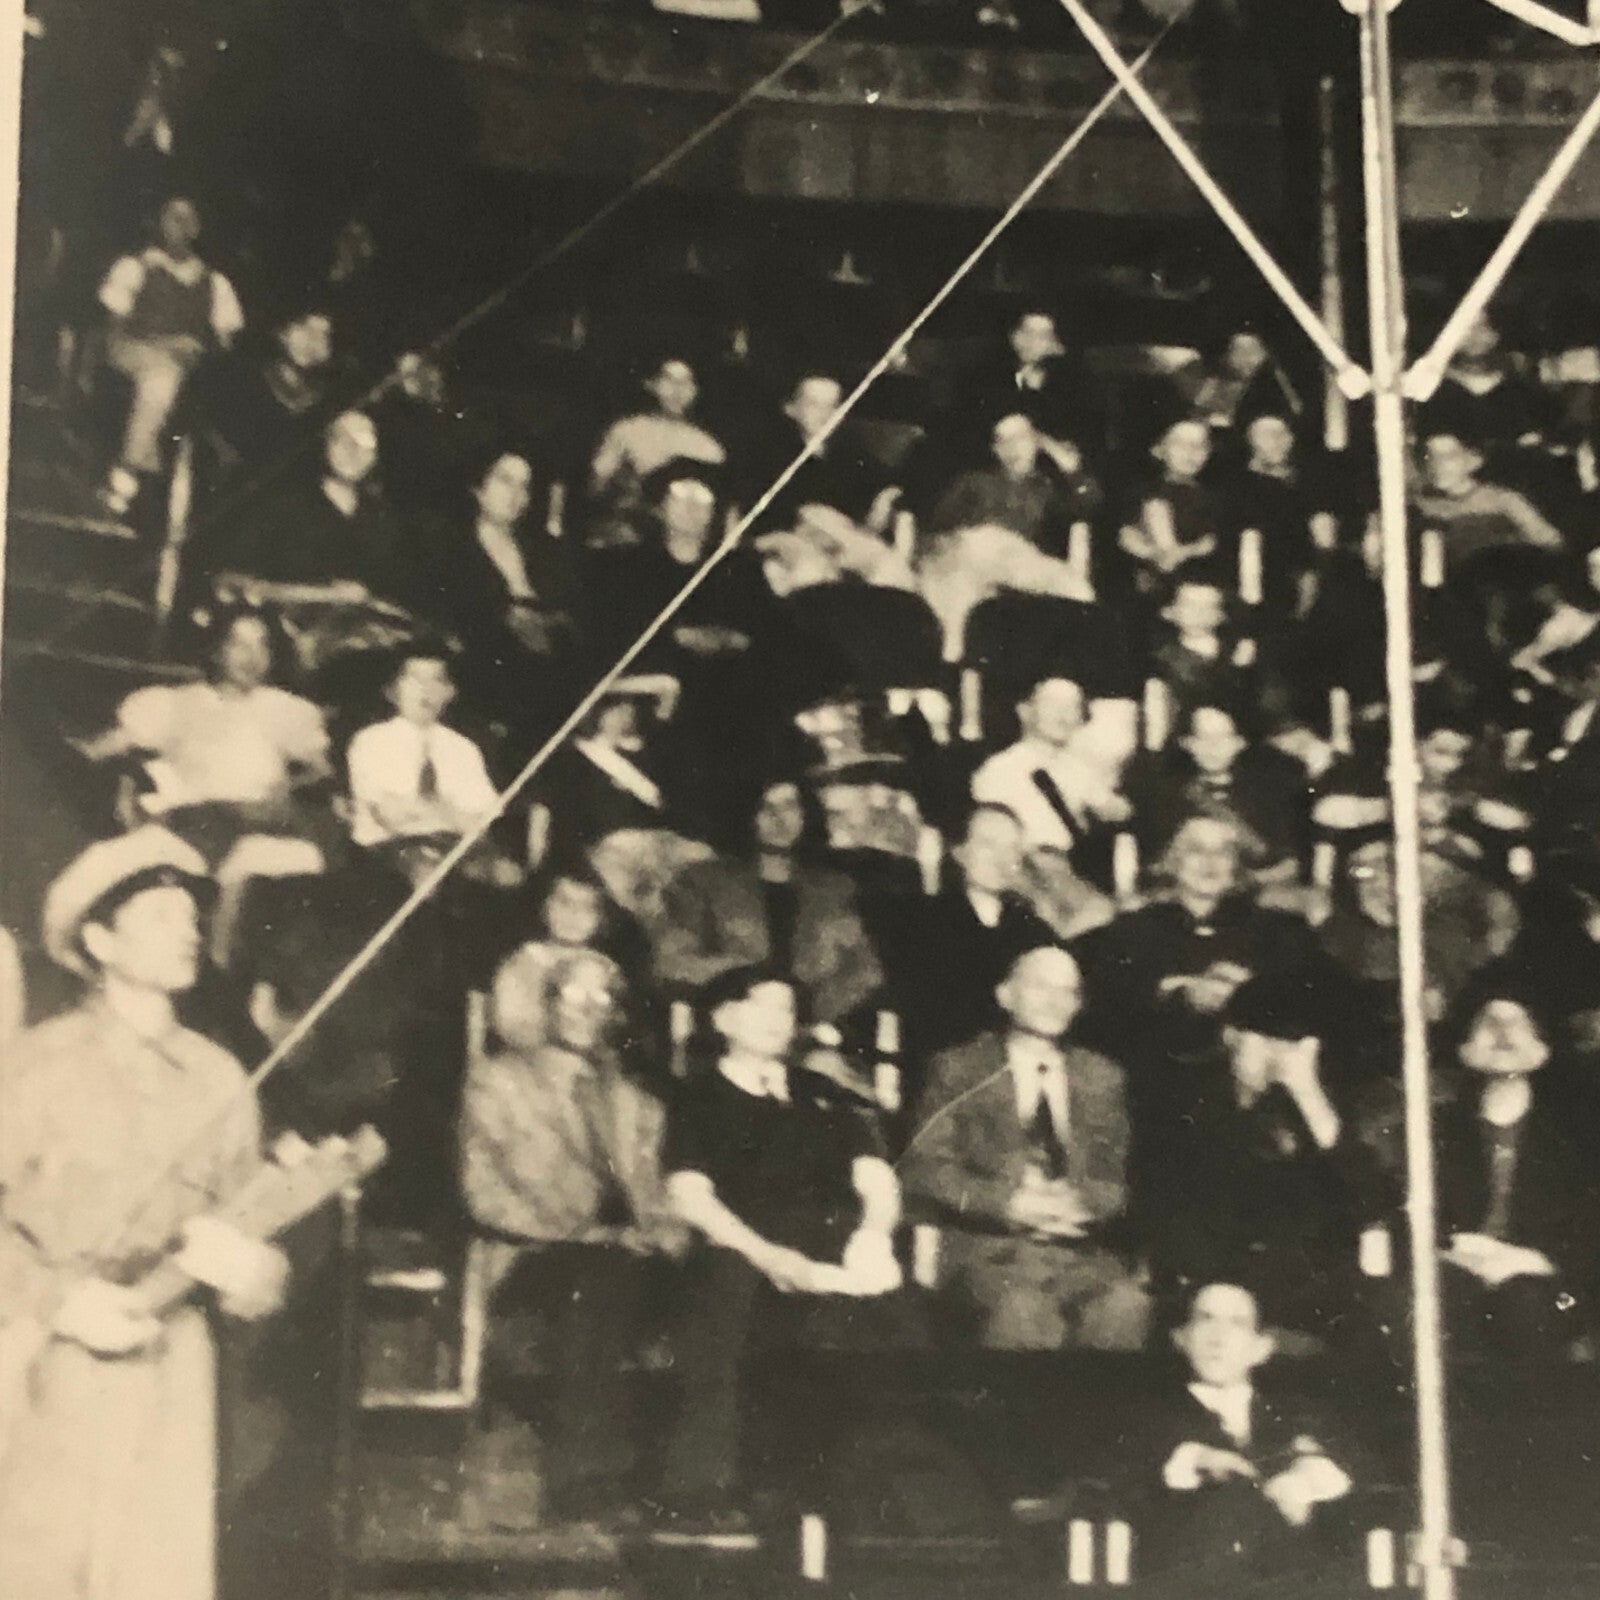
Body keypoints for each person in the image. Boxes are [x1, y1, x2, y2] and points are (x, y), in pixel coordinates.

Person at [0, 828, 288, 1600]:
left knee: (158, 1576)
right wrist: (58, 1303)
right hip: (47, 1358)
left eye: (191, 913)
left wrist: (253, 1272)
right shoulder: (35, 1066)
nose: (189, 929)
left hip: (176, 1361)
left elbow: (251, 1221)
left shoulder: (220, 1075)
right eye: (160, 914)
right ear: (98, 938)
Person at [655, 968, 901, 1542]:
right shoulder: (696, 1096)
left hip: (824, 1241)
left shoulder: (821, 1094)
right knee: (728, 1295)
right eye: (762, 1005)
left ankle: (858, 1497)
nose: (777, 1020)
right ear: (722, 1019)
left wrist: (874, 1235)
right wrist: (773, 1259)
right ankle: (702, 1492)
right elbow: (690, 1196)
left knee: (884, 1311)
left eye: (787, 1010)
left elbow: (876, 1177)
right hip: (736, 1244)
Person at [459, 949, 684, 1525]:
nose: (589, 1008)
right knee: (598, 1276)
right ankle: (582, 1482)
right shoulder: (499, 1080)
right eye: (574, 994)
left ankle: (695, 1488)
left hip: (628, 1259)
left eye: (603, 996)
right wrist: (585, 1236)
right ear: (548, 1003)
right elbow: (482, 1192)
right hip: (536, 1254)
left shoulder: (638, 1102)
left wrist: (665, 1235)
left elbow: (656, 1194)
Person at [902, 945, 1149, 1350]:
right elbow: (923, 1167)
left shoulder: (1101, 1077)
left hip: (1077, 1251)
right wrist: (1009, 1203)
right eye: (1040, 987)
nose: (1054, 1001)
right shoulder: (960, 1068)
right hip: (986, 1250)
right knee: (1025, 1310)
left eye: (1067, 991)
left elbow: (1114, 1179)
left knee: (1127, 1306)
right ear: (1006, 995)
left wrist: (1080, 1203)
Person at [1136, 1282, 1352, 1592]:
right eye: (1205, 1319)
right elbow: (1137, 1484)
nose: (1217, 1338)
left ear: (1261, 1347)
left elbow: (1352, 1479)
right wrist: (1196, 1459)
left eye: (1237, 1323)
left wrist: (1307, 1481)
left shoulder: (1297, 1416)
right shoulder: (1152, 1421)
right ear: (1181, 1338)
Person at [78, 603, 331, 856]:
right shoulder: (179, 702)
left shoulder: (282, 708)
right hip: (195, 827)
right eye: (239, 645)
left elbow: (321, 772)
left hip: (264, 826)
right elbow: (105, 747)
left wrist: (286, 790)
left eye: (261, 645)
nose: (252, 658)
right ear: (217, 651)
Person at [654, 775, 882, 1026]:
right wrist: (748, 981)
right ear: (747, 815)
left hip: (812, 1031)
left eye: (790, 806)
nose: (779, 818)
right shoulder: (704, 882)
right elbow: (673, 961)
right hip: (732, 1027)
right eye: (766, 807)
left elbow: (864, 970)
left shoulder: (833, 890)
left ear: (807, 813)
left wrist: (807, 1014)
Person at [97, 195, 244, 516]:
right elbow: (115, 330)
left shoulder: (213, 282)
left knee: (168, 378)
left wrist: (200, 347)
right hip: (132, 352)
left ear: (198, 228)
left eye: (189, 218)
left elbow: (224, 345)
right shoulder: (135, 266)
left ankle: (139, 471)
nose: (181, 225)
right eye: (173, 216)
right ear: (159, 222)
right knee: (162, 378)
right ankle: (126, 476)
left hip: (185, 365)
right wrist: (166, 344)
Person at [345, 641, 500, 853]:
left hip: (455, 851)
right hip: (390, 850)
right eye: (415, 679)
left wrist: (421, 808)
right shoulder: (371, 741)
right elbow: (390, 816)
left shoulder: (464, 749)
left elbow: (480, 824)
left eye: (436, 680)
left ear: (450, 692)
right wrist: (449, 812)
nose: (426, 690)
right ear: (392, 690)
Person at [588, 355, 726, 542]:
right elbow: (596, 487)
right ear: (652, 384)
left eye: (685, 383)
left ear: (695, 391)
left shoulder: (709, 447)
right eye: (669, 380)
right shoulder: (626, 431)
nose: (677, 390)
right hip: (630, 536)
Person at [930, 411, 1100, 557]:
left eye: (1021, 438)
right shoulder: (974, 483)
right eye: (1003, 440)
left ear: (1037, 443)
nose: (1012, 448)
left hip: (1027, 579)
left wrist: (1072, 470)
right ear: (995, 450)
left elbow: (1089, 505)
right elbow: (936, 532)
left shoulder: (1048, 489)